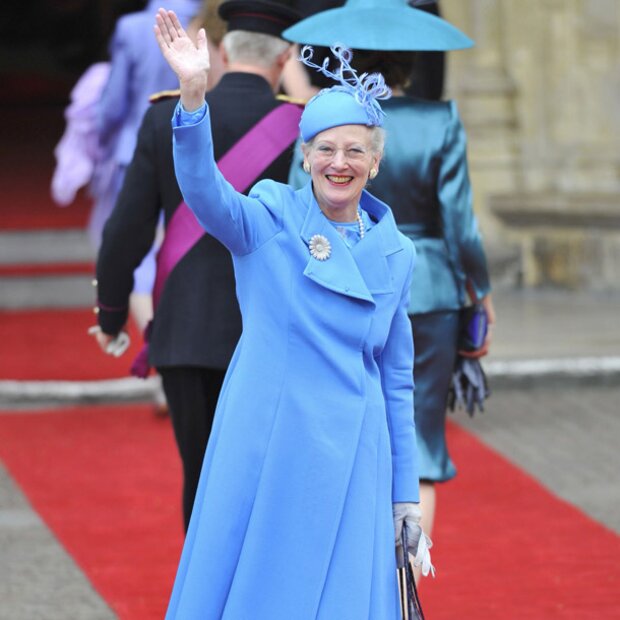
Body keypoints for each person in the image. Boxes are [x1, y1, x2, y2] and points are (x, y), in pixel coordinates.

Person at [154, 8, 432, 618]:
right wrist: (195, 98)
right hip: (272, 440)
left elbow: (396, 376)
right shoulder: (269, 219)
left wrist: (404, 495)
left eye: (355, 150)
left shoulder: (396, 252)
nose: (340, 162)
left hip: (356, 450)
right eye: (326, 149)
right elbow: (204, 191)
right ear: (305, 157)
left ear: (375, 163)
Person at [284, 0, 496, 546]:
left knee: (339, 433)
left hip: (339, 284)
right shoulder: (440, 119)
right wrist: (481, 291)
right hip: (429, 288)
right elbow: (461, 224)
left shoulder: (324, 123)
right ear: (409, 62)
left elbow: (297, 208)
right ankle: (406, 583)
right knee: (420, 442)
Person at [93, 0, 303, 531]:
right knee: (270, 479)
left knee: (204, 478)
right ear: (284, 61)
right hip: (273, 330)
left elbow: (127, 230)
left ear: (224, 51)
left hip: (186, 331)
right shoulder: (304, 128)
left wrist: (113, 312)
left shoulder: (166, 116)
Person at [96, 0, 203, 332]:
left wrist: (100, 138)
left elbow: (114, 101)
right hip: (194, 140)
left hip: (136, 147)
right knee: (187, 237)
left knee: (136, 237)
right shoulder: (207, 23)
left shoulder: (131, 27)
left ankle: (150, 331)